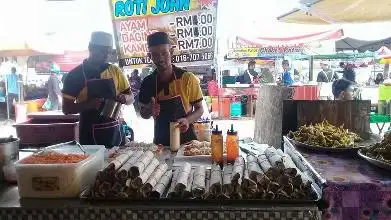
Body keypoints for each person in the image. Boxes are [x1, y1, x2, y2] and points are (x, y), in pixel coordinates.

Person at [62, 31, 133, 148]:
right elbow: (66, 109)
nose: (106, 56)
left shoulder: (115, 71)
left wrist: (125, 98)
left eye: (108, 52)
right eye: (102, 52)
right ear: (90, 48)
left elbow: (131, 97)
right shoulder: (74, 76)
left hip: (115, 131)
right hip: (89, 136)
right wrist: (89, 104)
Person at [138, 32, 204, 146]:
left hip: (187, 143)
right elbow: (143, 114)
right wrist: (149, 110)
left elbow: (200, 109)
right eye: (155, 54)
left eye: (164, 53)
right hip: (160, 145)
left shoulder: (187, 78)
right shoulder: (148, 82)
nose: (160, 59)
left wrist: (187, 120)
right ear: (150, 57)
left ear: (171, 52)